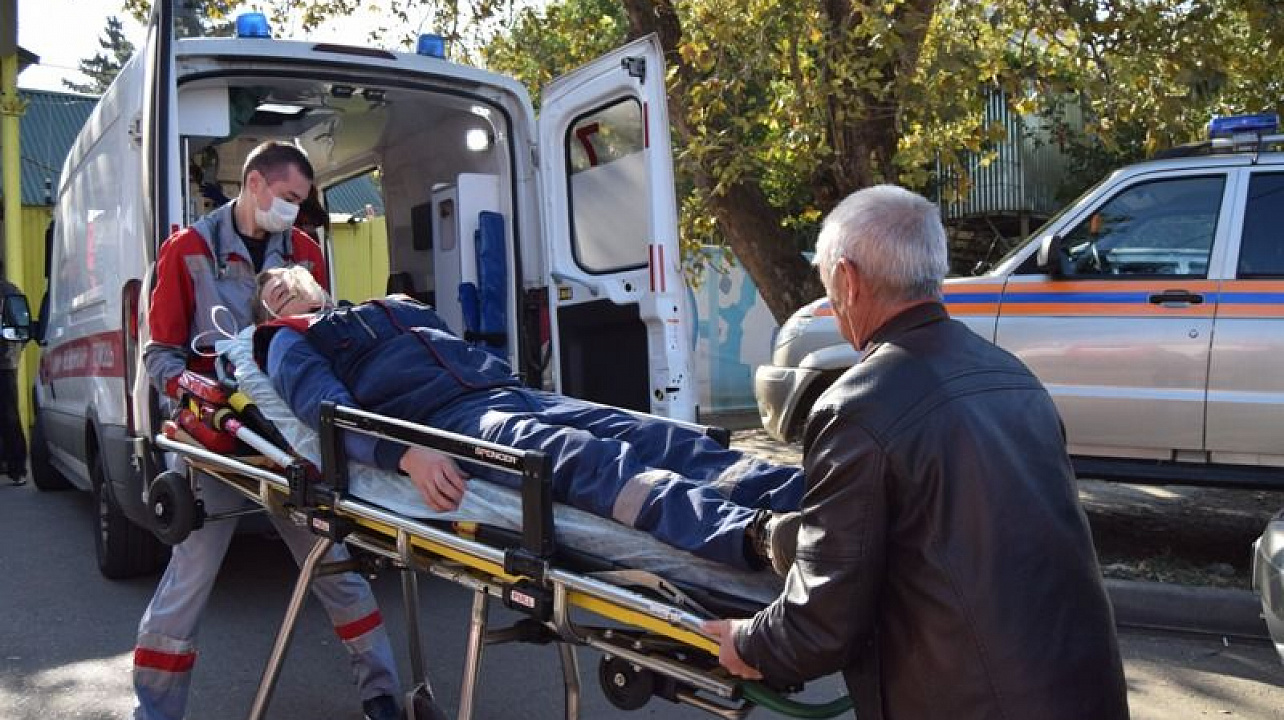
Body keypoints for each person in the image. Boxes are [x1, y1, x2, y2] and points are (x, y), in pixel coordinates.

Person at [704, 185, 1130, 720]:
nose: (832, 305)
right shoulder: (1013, 378)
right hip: (1085, 696)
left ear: (848, 279)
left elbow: (821, 622)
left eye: (828, 287)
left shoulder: (858, 405)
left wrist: (748, 642)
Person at [249, 267, 806, 571]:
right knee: (586, 460)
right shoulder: (286, 341)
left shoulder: (386, 307)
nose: (281, 287)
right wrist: (405, 454)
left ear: (314, 279)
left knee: (657, 434)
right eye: (270, 293)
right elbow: (329, 413)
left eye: (286, 278)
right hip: (450, 420)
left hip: (509, 390)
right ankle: (752, 536)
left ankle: (812, 492)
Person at [136, 141, 404, 720]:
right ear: (254, 184)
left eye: (301, 201)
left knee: (332, 564)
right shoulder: (189, 251)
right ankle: (155, 711)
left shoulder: (305, 251)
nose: (293, 211)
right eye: (287, 198)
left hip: (288, 438)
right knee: (190, 579)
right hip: (219, 440)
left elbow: (324, 332)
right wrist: (195, 392)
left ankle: (382, 695)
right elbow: (159, 354)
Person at [0, 273, 27, 485]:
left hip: (4, 361)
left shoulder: (8, 292)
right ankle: (15, 467)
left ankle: (17, 467)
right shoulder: (11, 291)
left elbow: (21, 326)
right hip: (6, 361)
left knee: (9, 414)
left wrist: (13, 350)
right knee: (9, 414)